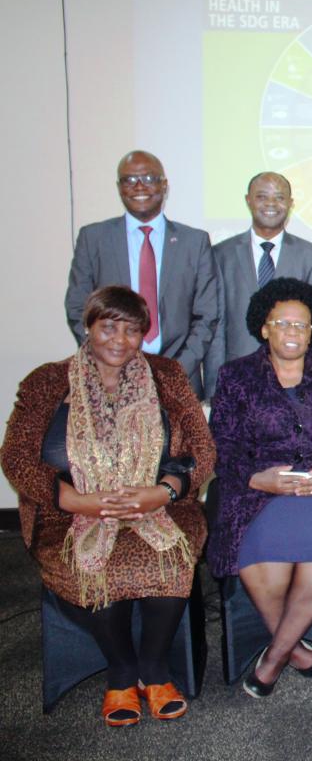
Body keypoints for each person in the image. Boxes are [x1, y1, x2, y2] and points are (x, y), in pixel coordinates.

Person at [2, 285, 214, 726]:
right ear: (88, 327)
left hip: (161, 507)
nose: (119, 340)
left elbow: (203, 448)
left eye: (132, 330)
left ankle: (155, 669)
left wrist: (164, 491)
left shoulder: (168, 375)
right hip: (69, 513)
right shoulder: (47, 381)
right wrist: (77, 500)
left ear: (144, 335)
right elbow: (17, 456)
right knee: (103, 564)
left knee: (169, 557)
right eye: (109, 327)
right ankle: (122, 672)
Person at [207, 278, 312, 697]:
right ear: (264, 328)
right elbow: (222, 446)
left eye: (302, 326)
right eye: (283, 323)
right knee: (263, 559)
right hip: (258, 494)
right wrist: (254, 478)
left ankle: (273, 658)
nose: (293, 333)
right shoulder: (236, 376)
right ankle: (295, 651)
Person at [65, 150, 219, 397]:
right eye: (129, 180)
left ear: (164, 185)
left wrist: (177, 369)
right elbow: (77, 308)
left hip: (178, 379)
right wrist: (108, 358)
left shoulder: (194, 242)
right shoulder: (93, 239)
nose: (139, 186)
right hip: (109, 378)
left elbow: (207, 314)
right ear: (119, 187)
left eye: (149, 179)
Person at [203, 172, 312, 399]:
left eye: (280, 197)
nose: (271, 204)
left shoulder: (310, 256)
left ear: (290, 204)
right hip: (238, 380)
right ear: (248, 200)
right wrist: (215, 388)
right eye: (262, 196)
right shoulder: (222, 254)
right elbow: (217, 325)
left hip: (296, 380)